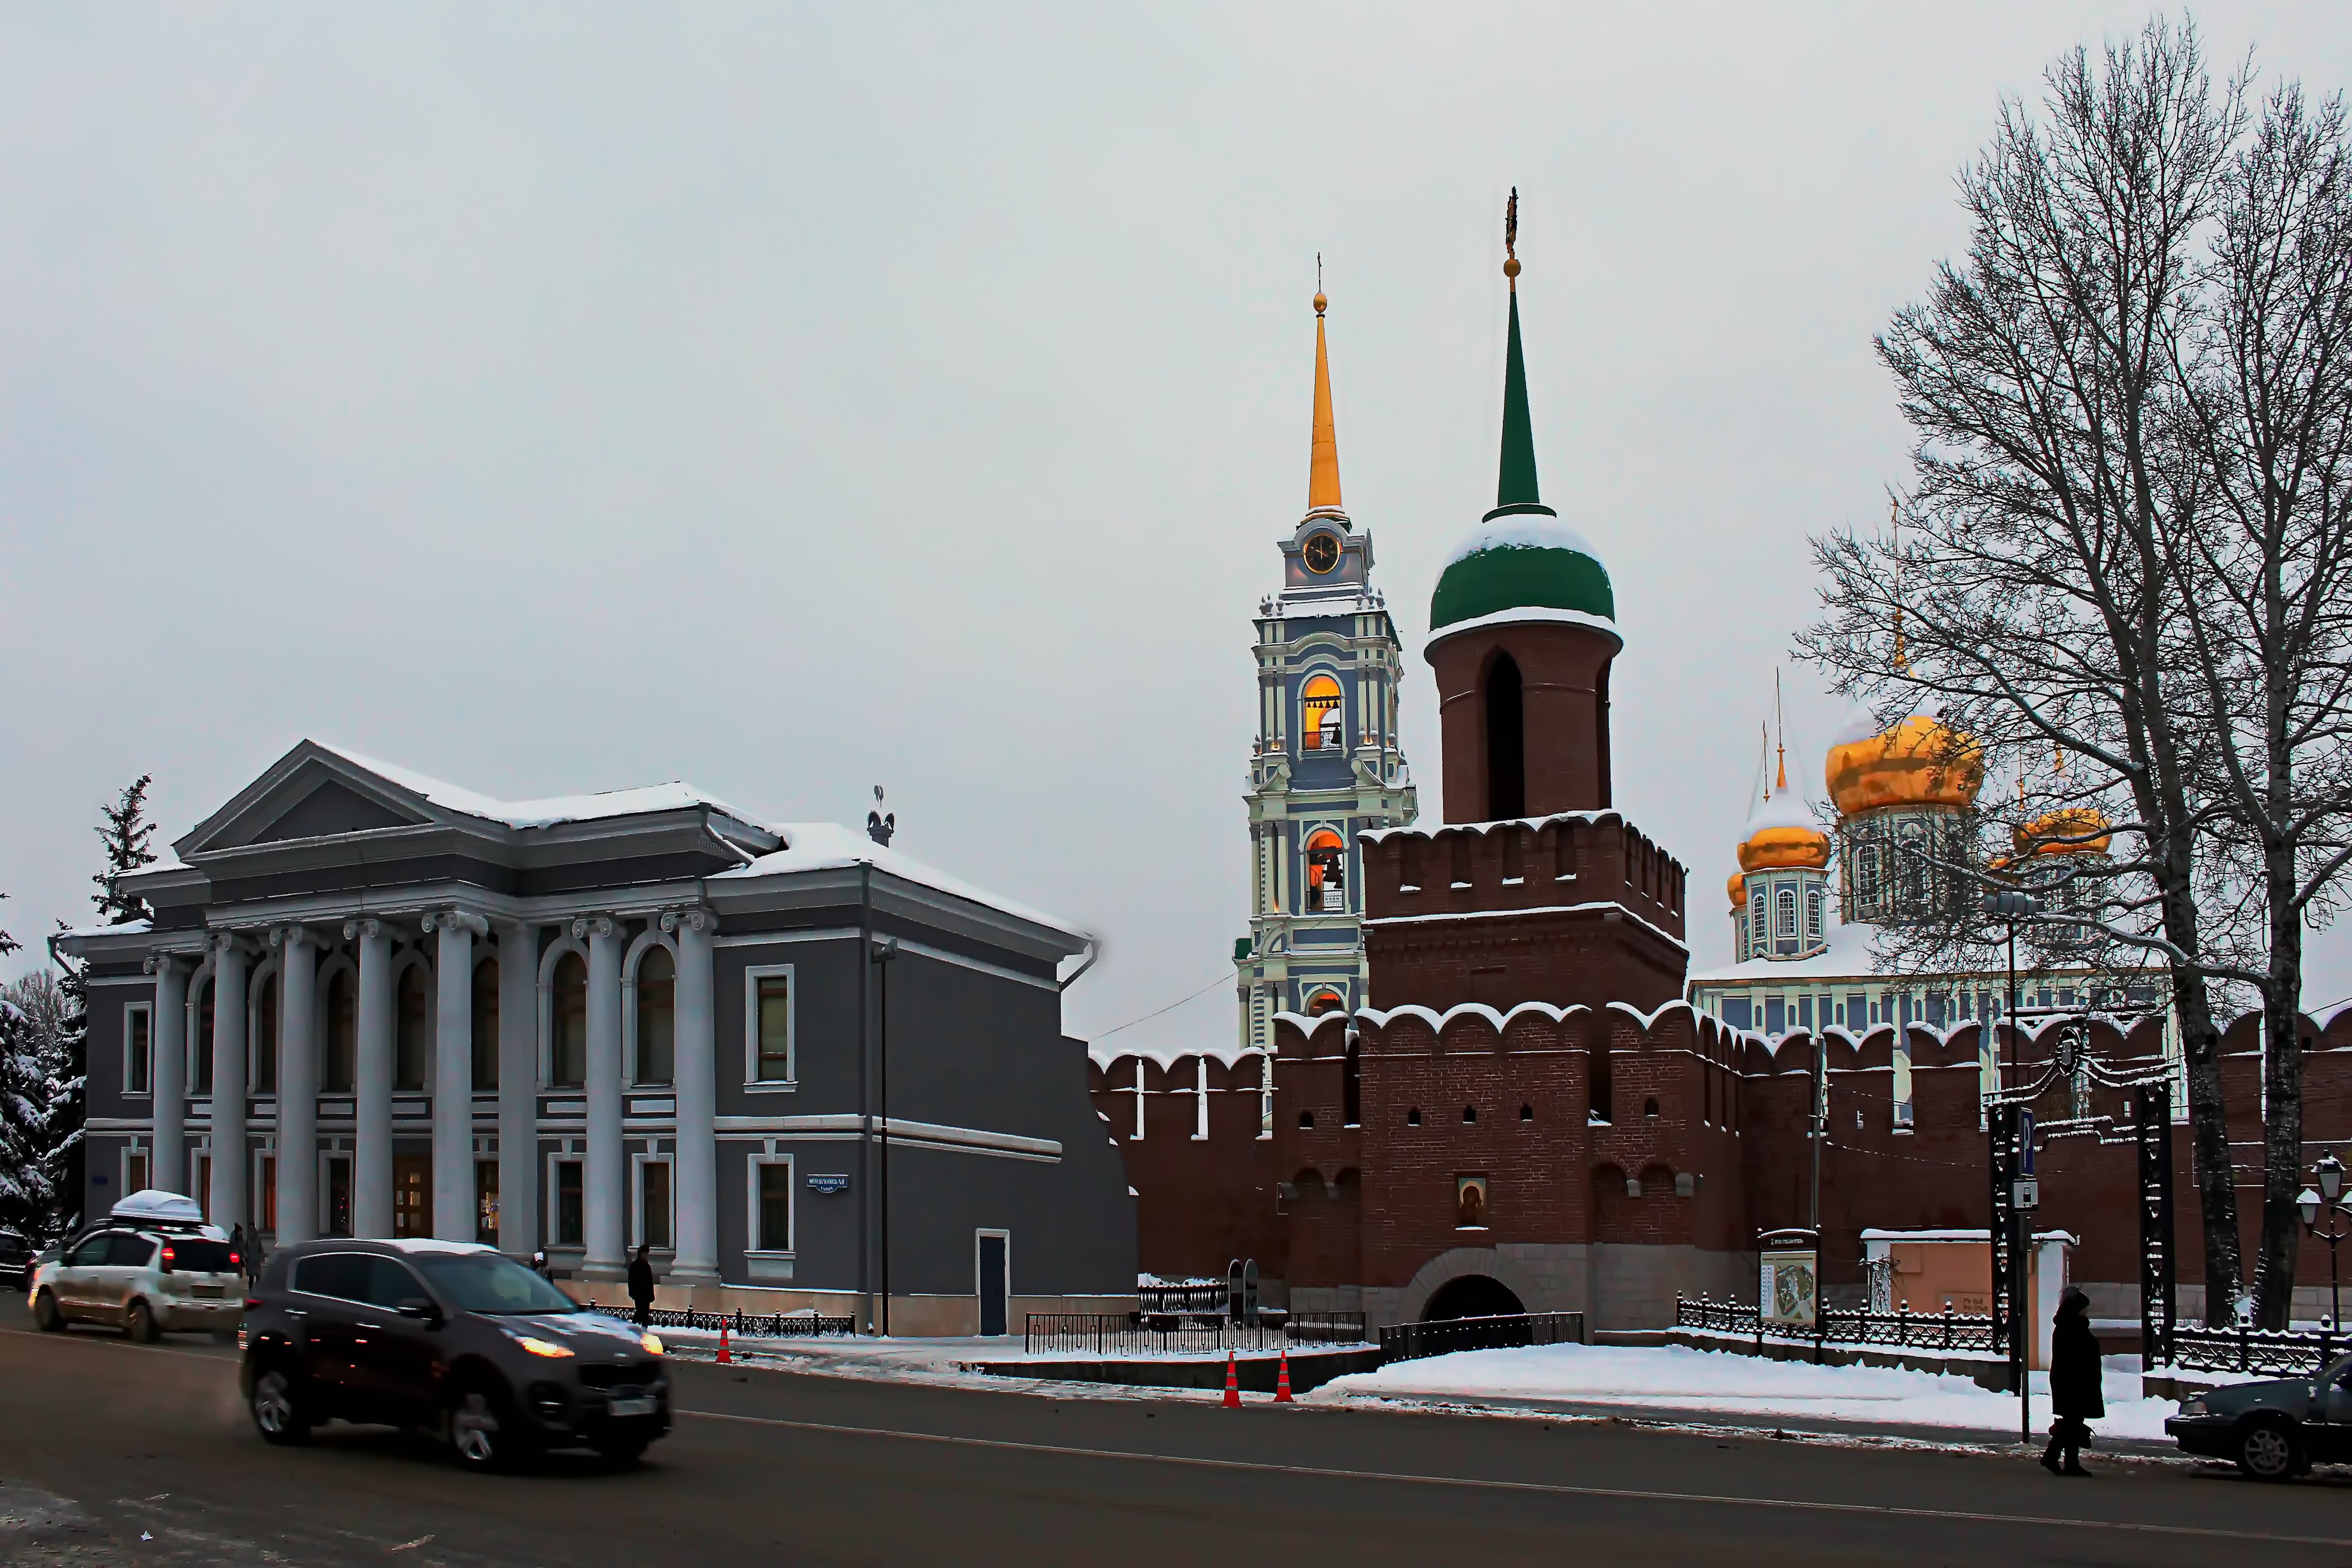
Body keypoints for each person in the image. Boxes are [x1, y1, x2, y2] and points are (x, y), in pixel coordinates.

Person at [2042, 1285, 2102, 1475]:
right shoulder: (2072, 1327)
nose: (2087, 1311)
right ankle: (2059, 1460)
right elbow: (2075, 1358)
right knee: (2072, 1423)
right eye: (2084, 1307)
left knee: (2072, 1423)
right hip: (2073, 1383)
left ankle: (2065, 1462)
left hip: (2073, 1382)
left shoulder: (2070, 1326)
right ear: (2077, 1308)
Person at [627, 1242, 656, 1328]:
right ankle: (634, 1326)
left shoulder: (647, 1267)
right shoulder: (634, 1266)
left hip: (646, 1295)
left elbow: (650, 1282)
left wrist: (652, 1295)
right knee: (640, 1311)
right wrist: (632, 1293)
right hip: (638, 1294)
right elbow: (631, 1281)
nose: (645, 1256)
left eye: (646, 1255)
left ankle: (644, 1329)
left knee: (645, 1314)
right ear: (640, 1254)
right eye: (644, 1254)